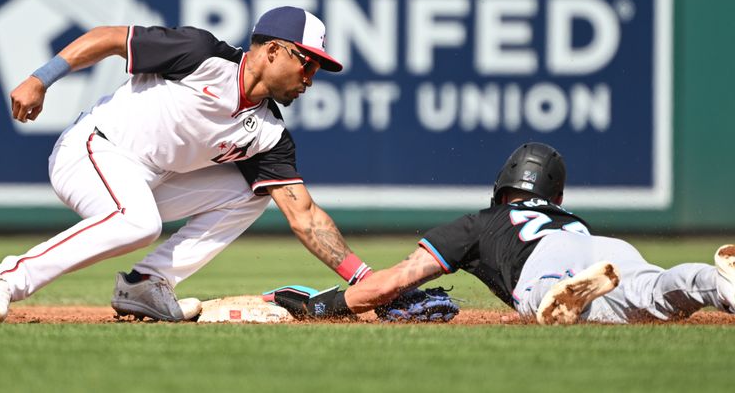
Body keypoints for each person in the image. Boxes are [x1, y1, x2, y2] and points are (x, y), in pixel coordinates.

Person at [0, 6, 374, 322]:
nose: (311, 77)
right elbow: (108, 38)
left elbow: (304, 215)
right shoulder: (201, 55)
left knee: (251, 195)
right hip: (92, 149)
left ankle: (146, 285)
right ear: (272, 51)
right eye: (308, 61)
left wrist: (364, 279)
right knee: (139, 222)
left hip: (149, 181)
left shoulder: (268, 133)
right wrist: (41, 78)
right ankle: (4, 278)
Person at [271, 142, 735, 324]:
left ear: (502, 185)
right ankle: (718, 282)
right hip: (604, 247)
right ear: (554, 191)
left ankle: (559, 294)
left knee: (547, 302)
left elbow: (392, 282)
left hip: (546, 261)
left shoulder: (479, 223)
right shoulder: (567, 214)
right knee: (658, 291)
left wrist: (323, 306)